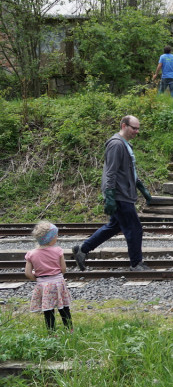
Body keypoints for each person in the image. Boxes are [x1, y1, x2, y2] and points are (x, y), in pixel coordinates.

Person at [72, 115, 153, 271]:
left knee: (114, 226)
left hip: (124, 192)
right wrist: (110, 196)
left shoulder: (125, 144)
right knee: (134, 228)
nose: (137, 131)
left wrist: (141, 187)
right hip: (119, 194)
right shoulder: (116, 145)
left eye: (138, 128)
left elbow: (129, 171)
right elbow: (111, 173)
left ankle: (82, 250)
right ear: (124, 126)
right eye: (134, 128)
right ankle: (136, 263)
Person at [25, 221, 73, 332]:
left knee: (48, 310)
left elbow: (28, 273)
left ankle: (52, 334)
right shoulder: (58, 251)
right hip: (58, 283)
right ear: (50, 238)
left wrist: (38, 279)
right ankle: (70, 330)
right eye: (55, 235)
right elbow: (63, 269)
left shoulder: (31, 254)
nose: (57, 237)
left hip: (43, 284)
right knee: (64, 308)